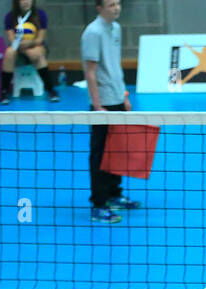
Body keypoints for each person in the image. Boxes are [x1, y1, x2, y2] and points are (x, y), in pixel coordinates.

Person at [81, 0, 137, 223]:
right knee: (100, 154)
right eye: (111, 4)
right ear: (99, 8)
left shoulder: (116, 28)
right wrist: (97, 105)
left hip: (116, 98)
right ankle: (99, 204)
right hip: (102, 102)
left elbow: (114, 66)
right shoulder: (92, 32)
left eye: (118, 3)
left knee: (117, 151)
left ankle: (114, 194)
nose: (116, 8)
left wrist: (124, 95)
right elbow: (91, 72)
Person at [0, 1, 59, 104]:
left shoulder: (40, 15)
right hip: (18, 47)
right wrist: (24, 48)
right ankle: (4, 92)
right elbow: (11, 39)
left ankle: (50, 90)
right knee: (9, 52)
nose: (26, 2)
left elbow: (40, 39)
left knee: (37, 54)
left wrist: (30, 44)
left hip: (36, 45)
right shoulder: (10, 17)